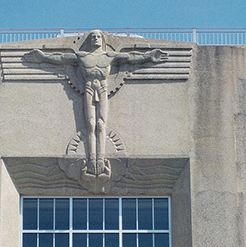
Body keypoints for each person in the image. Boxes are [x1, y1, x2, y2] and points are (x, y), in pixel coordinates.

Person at [26, 30, 167, 178]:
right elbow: (61, 58)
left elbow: (131, 57)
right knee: (91, 124)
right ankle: (92, 158)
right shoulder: (83, 56)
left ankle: (100, 158)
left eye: (98, 36)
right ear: (89, 40)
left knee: (101, 124)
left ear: (103, 40)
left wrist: (149, 56)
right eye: (93, 37)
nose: (96, 38)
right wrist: (43, 57)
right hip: (88, 88)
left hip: (103, 89)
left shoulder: (109, 56)